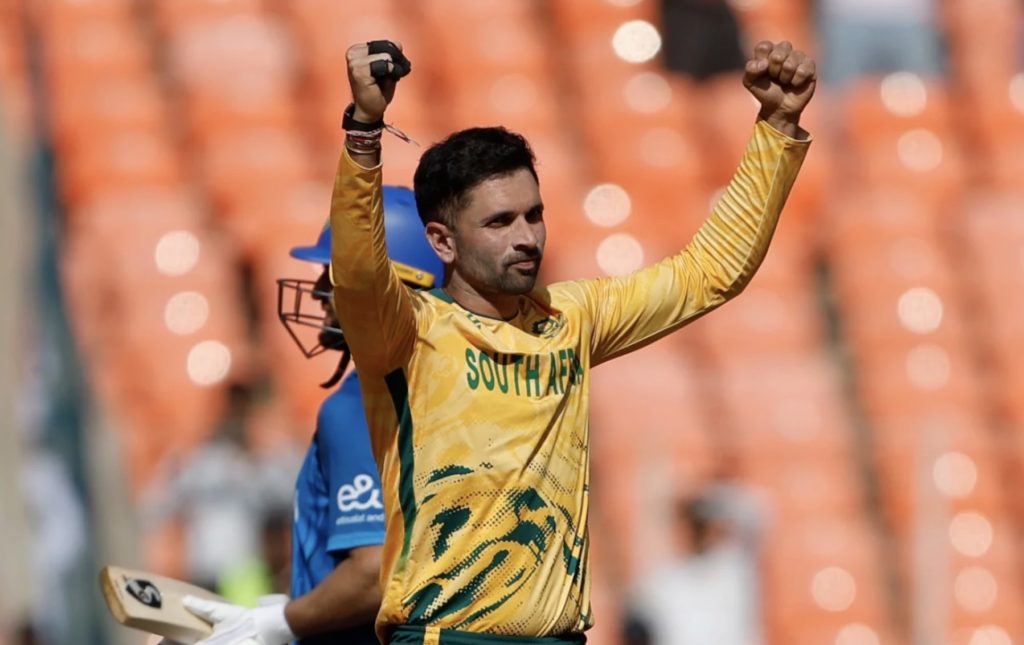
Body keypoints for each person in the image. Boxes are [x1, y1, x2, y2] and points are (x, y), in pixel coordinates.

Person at [330, 38, 814, 643]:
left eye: (534, 214)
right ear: (442, 241)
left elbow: (707, 274)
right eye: (499, 222)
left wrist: (776, 127)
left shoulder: (570, 317)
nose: (527, 236)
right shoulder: (408, 333)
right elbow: (356, 273)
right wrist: (364, 132)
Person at [178, 188, 444, 645]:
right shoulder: (460, 394)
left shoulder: (361, 404)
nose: (319, 289)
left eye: (334, 274)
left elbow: (373, 575)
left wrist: (274, 625)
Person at [628, 480, 767, 645]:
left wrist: (705, 499)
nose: (696, 532)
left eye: (700, 525)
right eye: (692, 525)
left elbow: (757, 513)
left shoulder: (733, 567)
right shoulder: (662, 579)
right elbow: (635, 622)